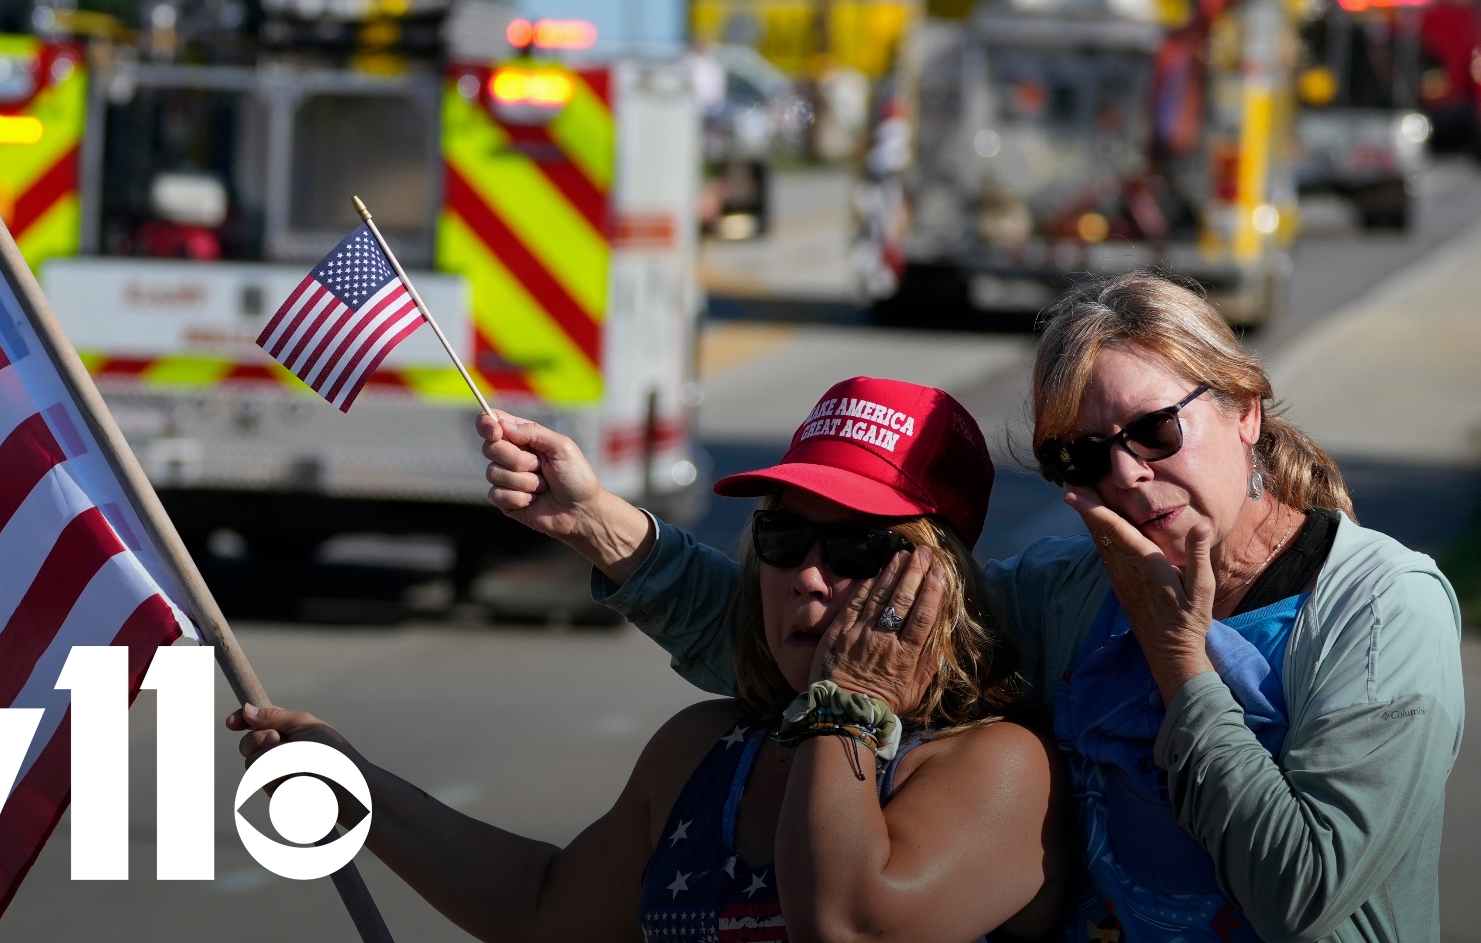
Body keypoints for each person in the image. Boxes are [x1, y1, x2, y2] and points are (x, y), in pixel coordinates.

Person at [479, 270, 1462, 943]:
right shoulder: (1073, 595)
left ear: (1246, 409)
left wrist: (1179, 664)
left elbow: (1306, 898)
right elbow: (822, 625)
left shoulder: (1379, 610)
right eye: (1081, 455)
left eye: (1157, 430)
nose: (1127, 474)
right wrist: (602, 525)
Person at [232, 377, 1073, 943]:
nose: (809, 576)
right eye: (782, 538)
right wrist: (359, 789)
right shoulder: (703, 749)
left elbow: (847, 923)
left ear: (940, 576)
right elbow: (544, 908)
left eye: (857, 548)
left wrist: (848, 703)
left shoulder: (997, 765)